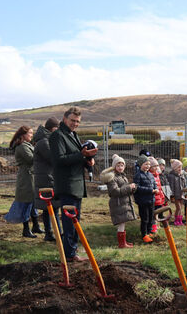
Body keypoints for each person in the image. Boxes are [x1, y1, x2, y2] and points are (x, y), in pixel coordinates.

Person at [49, 107, 97, 262]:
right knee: (69, 221)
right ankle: (70, 254)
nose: (75, 124)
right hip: (67, 184)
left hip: (77, 184)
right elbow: (60, 160)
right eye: (72, 120)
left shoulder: (73, 135)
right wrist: (81, 155)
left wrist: (87, 160)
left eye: (77, 121)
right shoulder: (57, 136)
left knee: (76, 219)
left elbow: (75, 157)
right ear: (64, 119)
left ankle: (72, 250)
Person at [4, 126, 40, 238]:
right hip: (26, 178)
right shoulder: (21, 147)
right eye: (30, 133)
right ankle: (26, 230)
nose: (31, 135)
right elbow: (32, 159)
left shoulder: (27, 145)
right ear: (23, 134)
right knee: (26, 202)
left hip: (31, 176)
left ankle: (36, 226)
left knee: (33, 202)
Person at [32, 117, 61, 241]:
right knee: (50, 207)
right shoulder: (44, 142)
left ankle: (52, 232)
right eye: (57, 128)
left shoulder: (46, 140)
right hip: (46, 178)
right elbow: (52, 158)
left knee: (51, 207)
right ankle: (53, 233)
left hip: (48, 177)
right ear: (51, 128)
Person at [100, 154, 136, 248]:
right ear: (114, 166)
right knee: (121, 223)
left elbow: (125, 189)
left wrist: (133, 188)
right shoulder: (112, 178)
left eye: (122, 165)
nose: (120, 167)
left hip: (123, 203)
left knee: (123, 223)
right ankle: (122, 244)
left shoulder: (123, 176)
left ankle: (123, 242)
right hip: (118, 203)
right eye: (118, 165)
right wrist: (129, 187)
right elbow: (115, 191)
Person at [134, 155, 157, 243]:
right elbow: (137, 188)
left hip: (151, 199)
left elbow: (153, 183)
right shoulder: (138, 175)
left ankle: (149, 231)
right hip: (143, 200)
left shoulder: (150, 174)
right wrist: (150, 190)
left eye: (148, 164)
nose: (147, 166)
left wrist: (156, 189)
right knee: (145, 218)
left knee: (151, 217)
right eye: (145, 164)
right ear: (140, 165)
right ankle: (144, 234)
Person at [149, 157, 166, 234]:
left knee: (158, 212)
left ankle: (156, 225)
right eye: (154, 166)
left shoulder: (157, 175)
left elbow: (160, 187)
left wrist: (162, 196)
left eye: (157, 166)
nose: (156, 168)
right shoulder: (149, 175)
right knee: (153, 213)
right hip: (153, 197)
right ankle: (153, 227)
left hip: (159, 197)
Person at [168, 159, 185, 226]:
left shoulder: (181, 175)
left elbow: (183, 184)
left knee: (181, 208)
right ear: (174, 168)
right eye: (178, 167)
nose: (180, 168)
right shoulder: (172, 176)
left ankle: (180, 220)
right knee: (178, 208)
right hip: (176, 195)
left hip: (181, 194)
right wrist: (172, 196)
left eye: (181, 167)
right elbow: (171, 187)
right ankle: (176, 220)